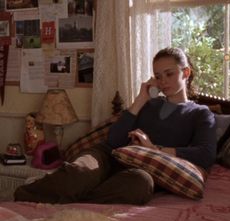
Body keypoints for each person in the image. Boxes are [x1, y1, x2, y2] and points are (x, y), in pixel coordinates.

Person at [15, 47, 216, 205]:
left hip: (140, 170)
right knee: (80, 173)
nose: (163, 81)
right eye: (158, 76)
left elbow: (205, 154)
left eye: (169, 74)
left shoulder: (200, 114)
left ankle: (69, 196)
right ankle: (23, 194)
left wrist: (154, 149)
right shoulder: (148, 104)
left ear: (186, 72)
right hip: (108, 155)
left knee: (140, 185)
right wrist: (140, 99)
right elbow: (113, 140)